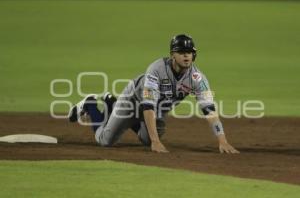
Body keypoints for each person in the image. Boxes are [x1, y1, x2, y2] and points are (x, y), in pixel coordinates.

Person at [68, 34, 239, 154]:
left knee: (147, 140)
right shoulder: (156, 69)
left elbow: (209, 110)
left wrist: (222, 140)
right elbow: (147, 105)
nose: (186, 55)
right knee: (106, 141)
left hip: (157, 109)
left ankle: (111, 102)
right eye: (181, 52)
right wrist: (157, 141)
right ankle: (91, 105)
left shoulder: (197, 78)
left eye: (189, 52)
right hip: (133, 100)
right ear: (172, 55)